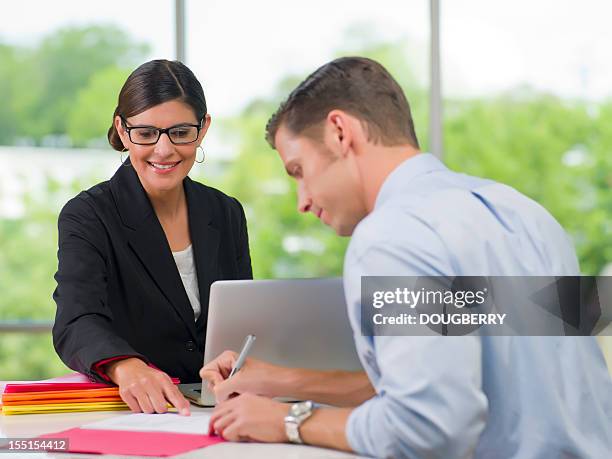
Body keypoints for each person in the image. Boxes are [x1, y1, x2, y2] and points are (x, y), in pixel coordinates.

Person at [200, 57, 612, 457]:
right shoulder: (523, 214)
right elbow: (458, 374)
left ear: (339, 133)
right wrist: (281, 380)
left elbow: (427, 429)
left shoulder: (393, 235)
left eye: (298, 170)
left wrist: (289, 421)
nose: (303, 201)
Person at [53, 59, 252, 416]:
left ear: (202, 129)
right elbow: (76, 320)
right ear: (123, 130)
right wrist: (126, 366)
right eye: (146, 133)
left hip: (217, 407)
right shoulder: (88, 214)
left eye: (180, 132)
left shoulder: (225, 212)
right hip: (137, 411)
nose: (164, 150)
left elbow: (243, 318)